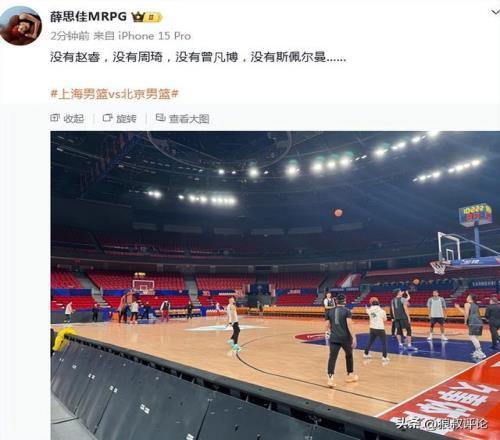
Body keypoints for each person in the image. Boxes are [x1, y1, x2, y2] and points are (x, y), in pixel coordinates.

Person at [325, 293, 358, 387]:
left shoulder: (329, 312)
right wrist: (354, 337)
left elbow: (327, 325)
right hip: (345, 338)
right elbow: (349, 324)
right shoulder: (347, 311)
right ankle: (350, 375)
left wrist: (328, 334)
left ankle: (330, 379)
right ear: (345, 301)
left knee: (332, 358)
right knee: (349, 355)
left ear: (336, 301)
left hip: (334, 338)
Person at [455, 295, 486, 359]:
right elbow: (467, 312)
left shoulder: (467, 304)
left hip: (473, 322)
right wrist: (458, 308)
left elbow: (466, 314)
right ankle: (477, 351)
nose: (466, 297)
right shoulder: (476, 305)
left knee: (472, 337)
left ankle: (480, 352)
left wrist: (465, 321)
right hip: (479, 322)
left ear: (470, 298)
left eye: (467, 296)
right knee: (475, 337)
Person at [363, 297, 389, 362]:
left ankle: (366, 354)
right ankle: (384, 357)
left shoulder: (369, 310)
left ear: (372, 304)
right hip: (380, 329)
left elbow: (367, 310)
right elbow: (385, 319)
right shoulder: (382, 311)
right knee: (384, 343)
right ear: (378, 304)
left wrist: (366, 308)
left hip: (372, 328)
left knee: (370, 341)